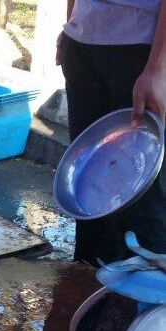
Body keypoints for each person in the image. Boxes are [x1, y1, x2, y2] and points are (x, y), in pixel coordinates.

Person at [57, 0, 166, 265]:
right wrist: (73, 21)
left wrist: (158, 69)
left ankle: (146, 304)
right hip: (83, 42)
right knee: (88, 191)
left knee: (144, 202)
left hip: (140, 48)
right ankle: (89, 298)